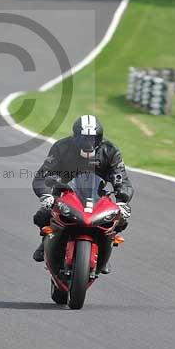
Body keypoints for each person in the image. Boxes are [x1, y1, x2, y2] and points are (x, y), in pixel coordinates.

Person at [31, 114, 133, 274]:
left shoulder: (110, 151)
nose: (88, 143)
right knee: (41, 216)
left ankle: (104, 254)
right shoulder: (61, 147)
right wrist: (45, 194)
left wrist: (122, 200)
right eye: (84, 138)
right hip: (65, 193)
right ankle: (45, 242)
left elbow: (121, 178)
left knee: (121, 220)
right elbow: (43, 174)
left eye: (93, 138)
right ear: (75, 136)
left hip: (97, 195)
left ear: (99, 138)